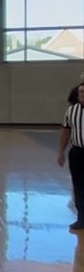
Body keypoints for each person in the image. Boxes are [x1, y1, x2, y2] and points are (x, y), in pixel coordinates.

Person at [58, 80, 84, 231]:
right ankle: (81, 218)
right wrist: (61, 151)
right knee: (78, 186)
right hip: (78, 152)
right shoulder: (71, 111)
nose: (82, 95)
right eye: (80, 92)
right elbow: (66, 132)